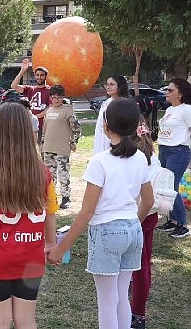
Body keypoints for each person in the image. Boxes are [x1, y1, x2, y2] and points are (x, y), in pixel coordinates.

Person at [48, 99, 154, 329]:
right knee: (120, 296)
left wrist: (61, 247)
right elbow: (149, 201)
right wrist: (133, 222)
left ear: (106, 126)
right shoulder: (140, 158)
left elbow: (87, 211)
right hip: (133, 231)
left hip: (107, 232)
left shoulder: (100, 161)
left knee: (107, 300)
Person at [0, 103, 57, 329]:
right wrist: (50, 244)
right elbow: (50, 214)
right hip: (32, 256)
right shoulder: (43, 172)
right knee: (27, 320)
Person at [130, 119, 159, 329]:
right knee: (143, 265)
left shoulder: (134, 160)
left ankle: (138, 313)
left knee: (138, 268)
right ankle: (138, 311)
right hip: (151, 216)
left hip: (137, 216)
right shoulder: (153, 158)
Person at [155, 78, 191, 238]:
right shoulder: (170, 110)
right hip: (164, 149)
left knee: (171, 187)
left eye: (170, 90)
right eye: (167, 90)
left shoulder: (187, 110)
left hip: (178, 151)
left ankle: (182, 225)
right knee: (163, 185)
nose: (166, 93)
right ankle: (172, 220)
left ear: (181, 94)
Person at [41, 85, 81, 209]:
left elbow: (76, 127)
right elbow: (45, 129)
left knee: (63, 174)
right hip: (48, 148)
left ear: (63, 97)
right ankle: (51, 197)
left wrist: (73, 142)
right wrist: (42, 143)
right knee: (49, 175)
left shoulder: (67, 110)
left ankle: (66, 197)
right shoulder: (48, 111)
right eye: (53, 97)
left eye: (58, 97)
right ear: (50, 98)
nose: (56, 100)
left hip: (62, 149)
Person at [11, 58, 51, 134]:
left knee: (40, 145)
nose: (39, 77)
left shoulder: (50, 90)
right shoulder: (30, 89)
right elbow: (14, 86)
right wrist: (22, 70)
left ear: (46, 76)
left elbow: (50, 107)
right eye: (37, 75)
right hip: (29, 124)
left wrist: (36, 116)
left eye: (42, 75)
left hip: (44, 125)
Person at [93, 75, 129, 154]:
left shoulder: (123, 104)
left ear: (120, 86)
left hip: (115, 139)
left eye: (112, 84)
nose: (108, 87)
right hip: (101, 136)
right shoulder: (106, 102)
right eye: (107, 84)